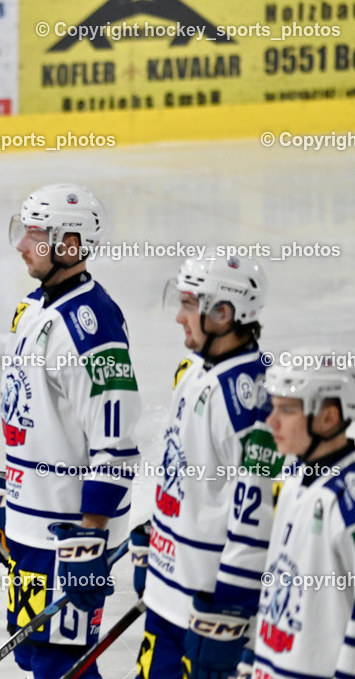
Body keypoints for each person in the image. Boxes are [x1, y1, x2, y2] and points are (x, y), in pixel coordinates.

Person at [0, 184, 141, 678]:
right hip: (32, 520)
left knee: (61, 662)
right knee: (35, 654)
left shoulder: (93, 328)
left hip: (67, 532)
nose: (21, 245)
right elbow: (26, 410)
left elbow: (115, 446)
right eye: (23, 231)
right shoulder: (36, 307)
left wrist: (89, 541)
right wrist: (8, 491)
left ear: (69, 245)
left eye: (34, 235)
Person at [134, 255, 281, 679]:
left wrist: (230, 611)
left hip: (207, 613)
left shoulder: (251, 400)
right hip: (168, 596)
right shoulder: (197, 371)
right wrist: (157, 531)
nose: (179, 317)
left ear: (223, 313)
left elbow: (258, 516)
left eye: (188, 304)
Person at [254, 348, 355, 678]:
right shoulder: (293, 477)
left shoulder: (345, 499)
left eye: (287, 410)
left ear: (328, 416)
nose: (271, 421)